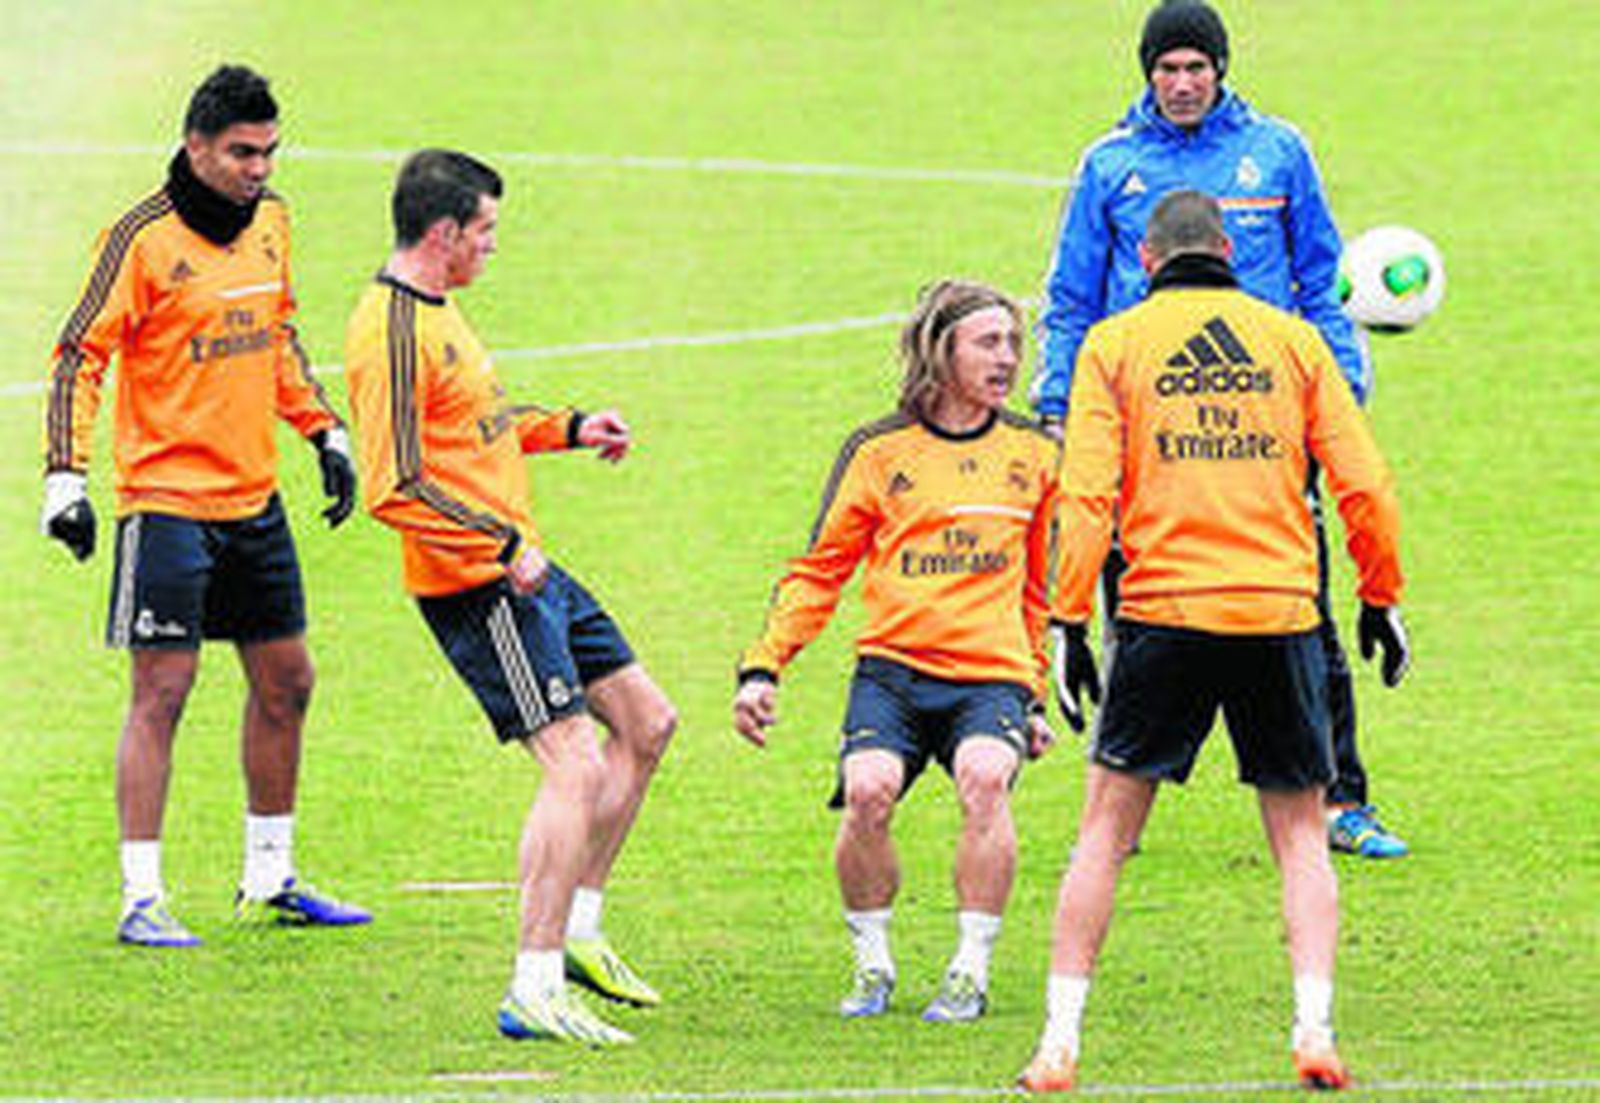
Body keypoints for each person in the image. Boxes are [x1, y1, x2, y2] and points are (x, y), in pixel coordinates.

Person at [1017, 190, 1411, 1093]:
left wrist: (1069, 621)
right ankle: (1314, 1029)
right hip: (1280, 613)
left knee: (1103, 833)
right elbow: (1364, 483)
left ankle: (1058, 1043)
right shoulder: (1294, 341)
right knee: (1301, 833)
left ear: (1146, 261)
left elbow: (1086, 496)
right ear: (1230, 251)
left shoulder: (1113, 345)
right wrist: (1380, 596)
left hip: (1164, 612)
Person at [1029, 0, 1406, 858]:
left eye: (1196, 67)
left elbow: (1320, 277)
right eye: (1167, 68)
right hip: (1144, 419)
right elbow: (1073, 297)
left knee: (1303, 603)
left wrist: (1339, 392)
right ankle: (1116, 808)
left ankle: (1342, 799)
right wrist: (1058, 404)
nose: (1182, 82)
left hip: (1265, 416)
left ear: (1221, 69)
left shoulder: (1278, 152)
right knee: (1133, 606)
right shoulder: (1111, 164)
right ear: (1147, 74)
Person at [343, 149, 677, 1047]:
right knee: (573, 763)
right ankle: (533, 984)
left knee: (646, 722)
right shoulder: (390, 330)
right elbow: (393, 484)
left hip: (522, 563)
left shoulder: (439, 309)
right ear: (443, 231)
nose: (493, 245)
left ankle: (578, 933)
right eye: (485, 229)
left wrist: (569, 428)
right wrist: (498, 545)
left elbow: (476, 427)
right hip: (480, 581)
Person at [39, 65, 370, 948]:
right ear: (196, 147)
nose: (260, 169)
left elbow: (276, 334)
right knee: (164, 688)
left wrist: (323, 430)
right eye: (242, 153)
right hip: (166, 502)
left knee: (289, 680)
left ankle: (270, 877)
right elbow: (79, 355)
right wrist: (65, 479)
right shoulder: (140, 239)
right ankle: (141, 896)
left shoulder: (274, 222)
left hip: (252, 499)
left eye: (269, 151)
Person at [734, 279, 1059, 1025]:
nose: (1008, 358)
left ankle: (970, 968)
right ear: (941, 350)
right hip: (893, 672)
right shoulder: (878, 452)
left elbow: (1040, 589)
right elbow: (820, 571)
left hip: (992, 675)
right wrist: (763, 665)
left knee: (985, 777)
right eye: (989, 342)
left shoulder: (1036, 454)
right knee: (868, 790)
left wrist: (1036, 695)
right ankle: (873, 960)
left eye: (1013, 342)